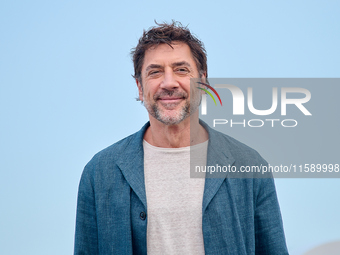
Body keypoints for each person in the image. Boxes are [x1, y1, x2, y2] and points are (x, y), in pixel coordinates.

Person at [74, 21, 289, 255]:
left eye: (181, 70)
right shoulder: (99, 172)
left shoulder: (249, 165)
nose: (168, 83)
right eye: (155, 72)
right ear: (139, 86)